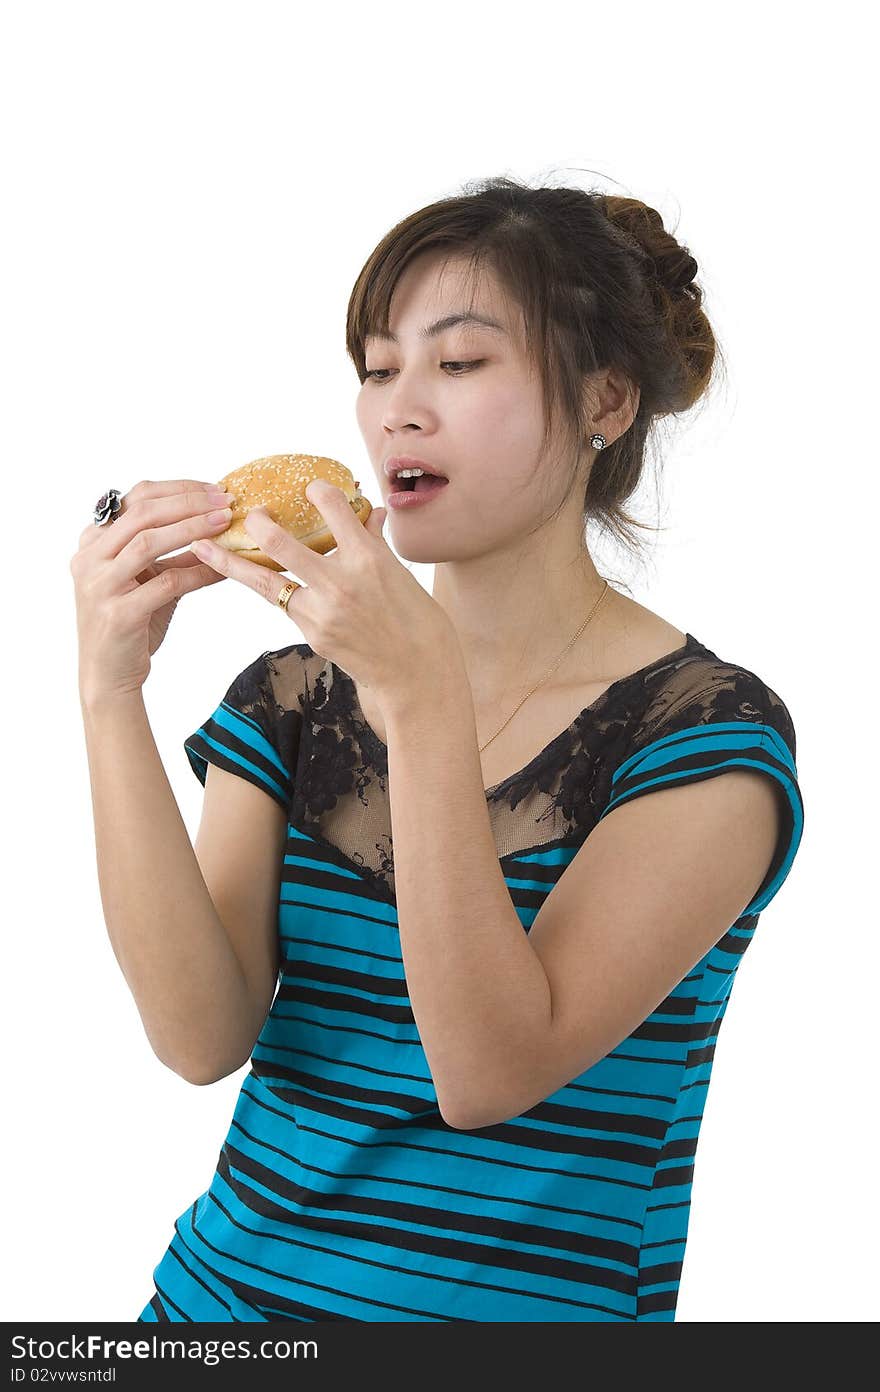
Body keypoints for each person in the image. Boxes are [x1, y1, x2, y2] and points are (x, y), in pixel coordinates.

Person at [72, 176, 804, 1323]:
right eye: (377, 367)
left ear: (605, 400)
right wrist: (111, 686)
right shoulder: (293, 698)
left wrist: (417, 700)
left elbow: (492, 1074)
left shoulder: (703, 734)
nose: (396, 411)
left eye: (459, 366)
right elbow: (197, 1036)